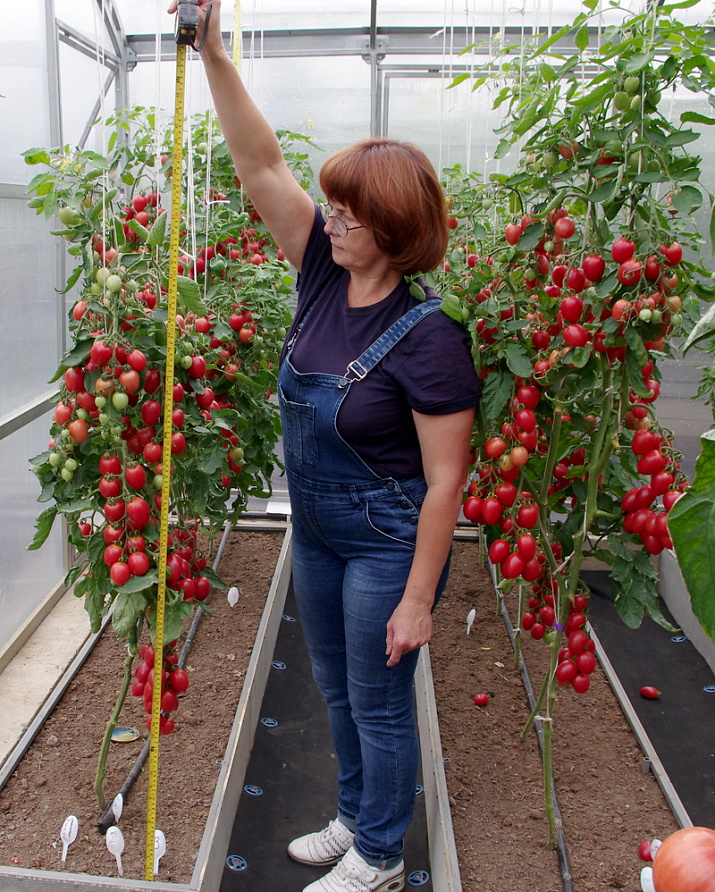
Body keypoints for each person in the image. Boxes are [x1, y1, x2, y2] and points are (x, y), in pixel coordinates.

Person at [168, 3, 480, 890]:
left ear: (393, 228)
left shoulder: (428, 336)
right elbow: (257, 162)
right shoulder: (317, 272)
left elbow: (445, 483)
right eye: (330, 207)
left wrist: (419, 600)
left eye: (348, 212)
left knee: (381, 704)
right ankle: (354, 815)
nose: (330, 220)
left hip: (386, 539)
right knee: (337, 688)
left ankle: (380, 856)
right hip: (316, 528)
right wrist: (216, 54)